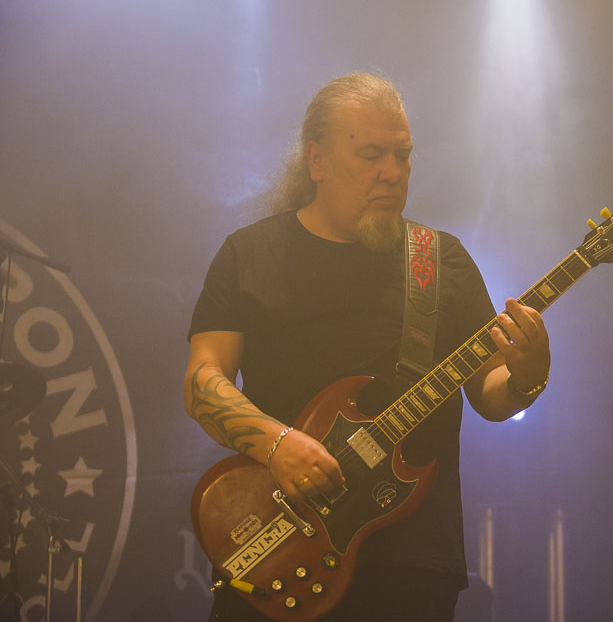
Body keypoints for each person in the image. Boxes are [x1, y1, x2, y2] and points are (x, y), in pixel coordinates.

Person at [184, 72, 551, 621]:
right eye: (372, 155)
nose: (393, 173)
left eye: (403, 156)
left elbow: (491, 396)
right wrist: (277, 444)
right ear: (317, 161)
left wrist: (528, 374)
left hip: (411, 565)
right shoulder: (249, 254)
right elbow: (202, 382)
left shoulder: (440, 259)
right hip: (279, 547)